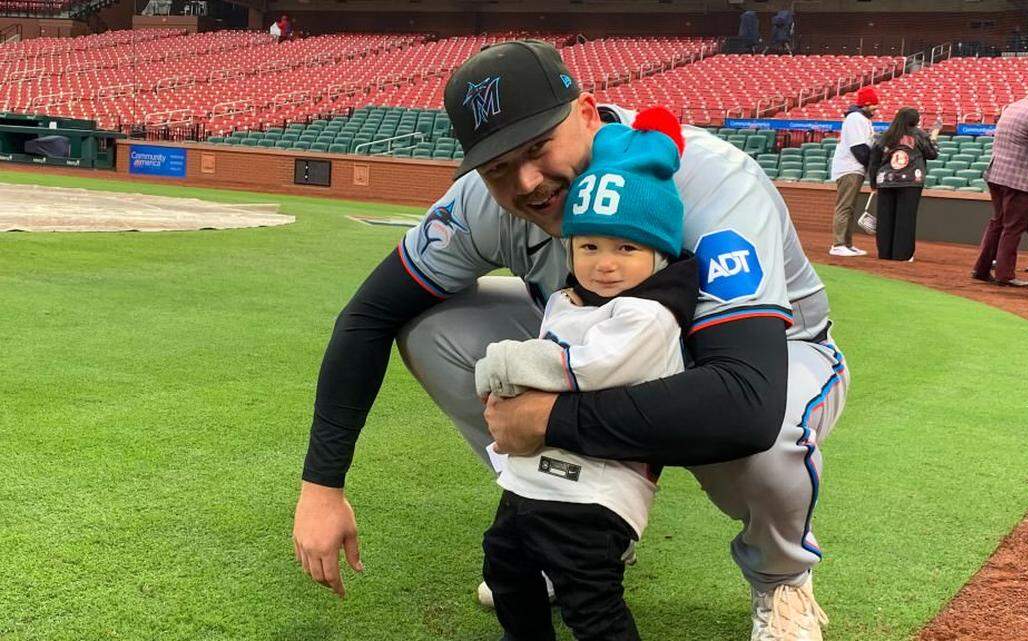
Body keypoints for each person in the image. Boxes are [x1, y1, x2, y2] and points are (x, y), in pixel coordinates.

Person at [292, 40, 849, 641]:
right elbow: (369, 314)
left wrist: (550, 420)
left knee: (763, 445)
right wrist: (322, 485)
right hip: (605, 351)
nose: (527, 180)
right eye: (499, 165)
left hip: (769, 356)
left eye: (538, 147)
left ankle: (781, 575)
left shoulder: (709, 181)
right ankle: (571, 520)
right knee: (434, 329)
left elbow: (745, 403)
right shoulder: (483, 200)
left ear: (586, 112)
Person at [477, 108, 695, 641]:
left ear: (658, 252)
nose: (605, 264)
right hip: (536, 478)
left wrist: (506, 364)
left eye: (627, 248)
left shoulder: (649, 316)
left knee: (590, 600)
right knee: (504, 565)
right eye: (590, 246)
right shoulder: (572, 299)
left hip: (594, 493)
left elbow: (586, 368)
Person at [971, 79, 1028, 287]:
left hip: (997, 174)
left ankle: (981, 268)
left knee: (998, 222)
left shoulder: (1013, 106)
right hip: (1020, 180)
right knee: (1013, 227)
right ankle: (1005, 274)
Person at [867, 108, 939, 261]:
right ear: (915, 120)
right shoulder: (919, 135)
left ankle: (885, 253)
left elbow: (874, 161)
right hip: (910, 182)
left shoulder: (885, 136)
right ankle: (902, 254)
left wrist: (873, 183)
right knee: (905, 219)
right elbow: (932, 154)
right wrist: (934, 136)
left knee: (885, 219)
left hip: (886, 181)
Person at [829, 86, 879, 257]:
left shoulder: (862, 119)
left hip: (854, 168)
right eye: (873, 105)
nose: (875, 108)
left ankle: (847, 243)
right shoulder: (855, 118)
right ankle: (838, 244)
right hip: (849, 167)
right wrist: (872, 167)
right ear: (865, 104)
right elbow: (859, 148)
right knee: (844, 206)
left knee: (849, 207)